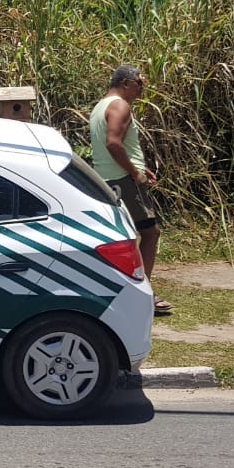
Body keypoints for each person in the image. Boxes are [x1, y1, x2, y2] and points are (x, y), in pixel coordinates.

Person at [89, 65, 173, 315]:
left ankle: (121, 288)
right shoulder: (119, 106)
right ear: (125, 83)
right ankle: (143, 294)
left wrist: (138, 167)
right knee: (150, 232)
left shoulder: (101, 106)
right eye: (139, 83)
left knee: (123, 235)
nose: (142, 88)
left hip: (109, 177)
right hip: (123, 180)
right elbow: (113, 144)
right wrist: (134, 172)